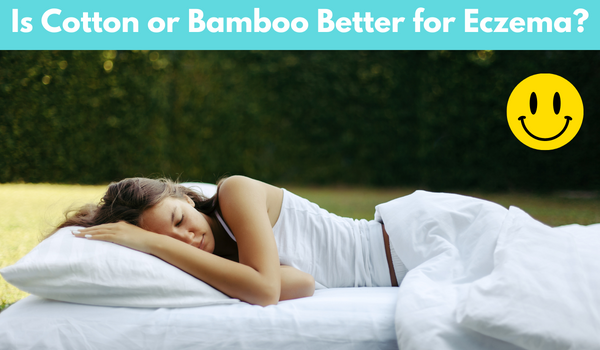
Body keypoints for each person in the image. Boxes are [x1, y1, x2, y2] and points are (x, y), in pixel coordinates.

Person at [65, 175, 408, 306]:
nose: (187, 239)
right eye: (168, 241)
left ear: (187, 199)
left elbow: (264, 290)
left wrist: (156, 243)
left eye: (180, 220)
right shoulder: (222, 266)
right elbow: (302, 283)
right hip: (401, 270)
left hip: (403, 242)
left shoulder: (235, 193)